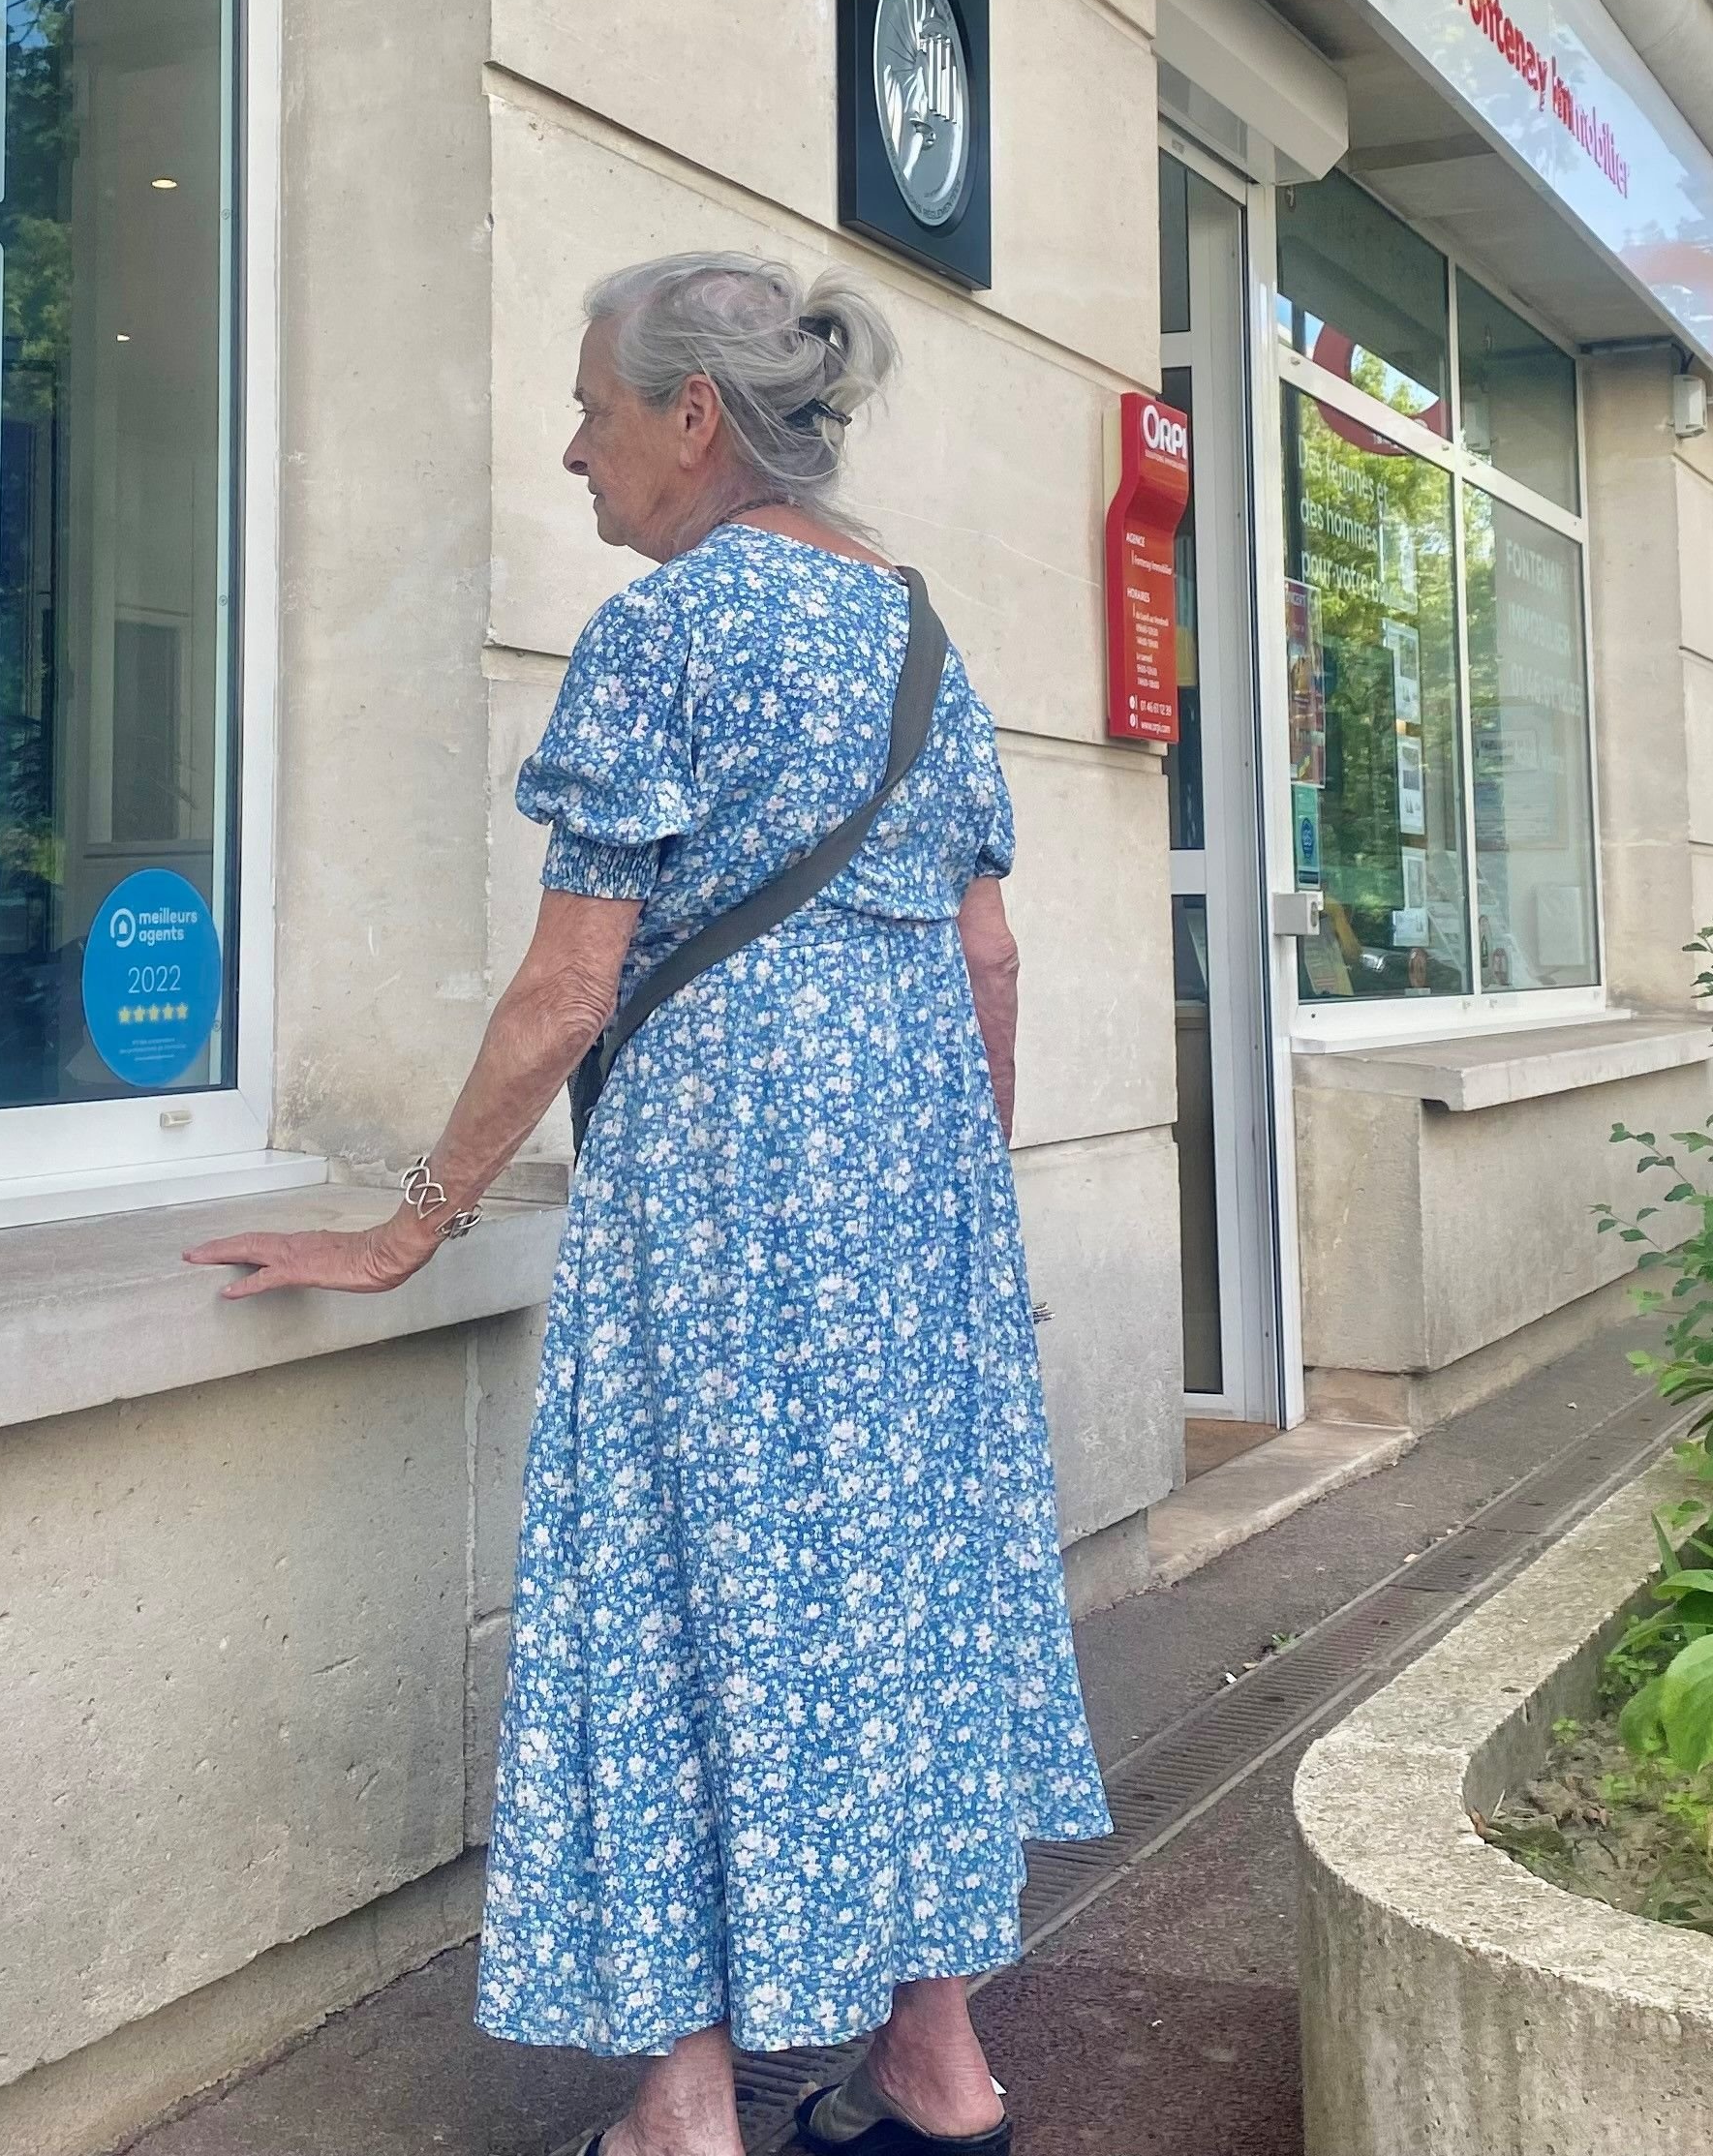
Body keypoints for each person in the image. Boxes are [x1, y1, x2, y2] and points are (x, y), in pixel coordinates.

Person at [190, 250, 1107, 2156]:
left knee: (676, 1604)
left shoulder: (669, 630)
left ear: (696, 418)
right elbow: (990, 959)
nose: (571, 449)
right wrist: (954, 1221)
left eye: (596, 407)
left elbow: (567, 992)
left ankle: (687, 2108)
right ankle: (937, 2068)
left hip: (709, 1216)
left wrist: (408, 1223)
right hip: (904, 1218)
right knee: (893, 1602)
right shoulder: (921, 635)